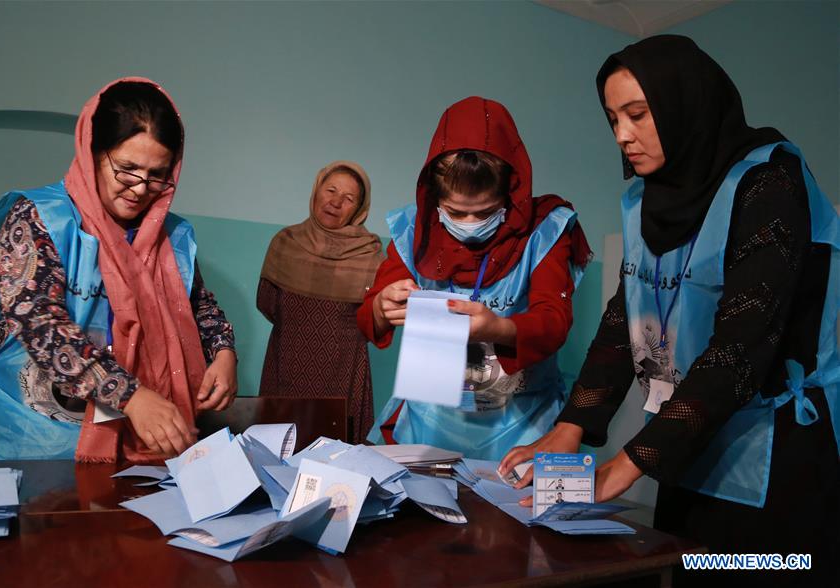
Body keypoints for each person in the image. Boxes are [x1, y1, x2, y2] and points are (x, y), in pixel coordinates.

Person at [499, 35, 839, 586]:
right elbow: (624, 321)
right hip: (687, 442)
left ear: (687, 106)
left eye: (637, 114)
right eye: (612, 119)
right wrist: (571, 427)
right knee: (685, 569)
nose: (622, 136)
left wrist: (626, 466)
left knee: (761, 572)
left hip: (771, 455)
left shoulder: (768, 183)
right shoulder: (648, 197)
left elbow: (740, 349)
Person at [0, 78, 237, 462]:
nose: (141, 188)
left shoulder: (172, 237)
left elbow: (198, 306)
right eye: (127, 169)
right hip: (29, 437)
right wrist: (131, 395)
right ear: (93, 151)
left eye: (158, 175)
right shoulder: (41, 218)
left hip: (130, 440)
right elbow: (40, 324)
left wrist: (223, 353)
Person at [359, 96, 592, 460]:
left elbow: (554, 321)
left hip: (520, 425)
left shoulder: (546, 230)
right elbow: (367, 317)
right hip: (430, 423)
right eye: (454, 212)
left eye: (484, 213)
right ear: (433, 199)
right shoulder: (412, 231)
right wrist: (380, 306)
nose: (468, 227)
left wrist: (498, 329)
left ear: (510, 196)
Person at [258, 161, 384, 443]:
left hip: (343, 376)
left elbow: (375, 323)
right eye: (330, 190)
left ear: (359, 210)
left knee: (339, 470)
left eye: (349, 199)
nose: (336, 202)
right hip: (285, 369)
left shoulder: (371, 254)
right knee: (277, 456)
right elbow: (267, 303)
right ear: (316, 192)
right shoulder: (285, 242)